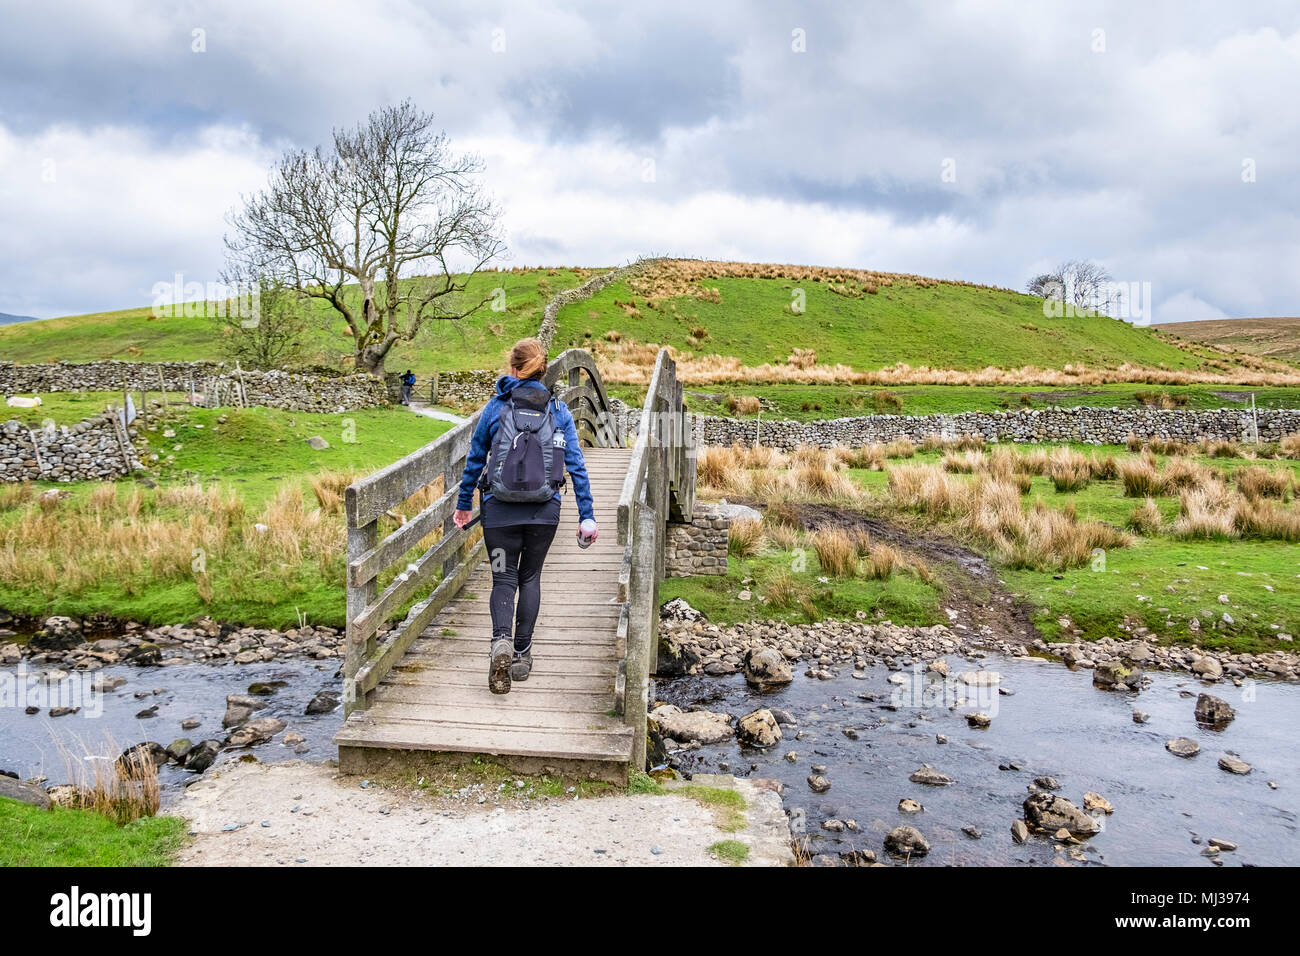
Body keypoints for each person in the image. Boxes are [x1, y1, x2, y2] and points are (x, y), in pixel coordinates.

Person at [453, 338, 598, 694]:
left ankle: (500, 641)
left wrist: (463, 503)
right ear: (543, 370)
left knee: (504, 580)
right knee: (530, 577)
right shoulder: (559, 411)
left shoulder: (496, 408)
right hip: (543, 513)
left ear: (513, 369)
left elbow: (474, 459)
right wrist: (587, 514)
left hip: (500, 513)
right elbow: (576, 464)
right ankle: (521, 654)